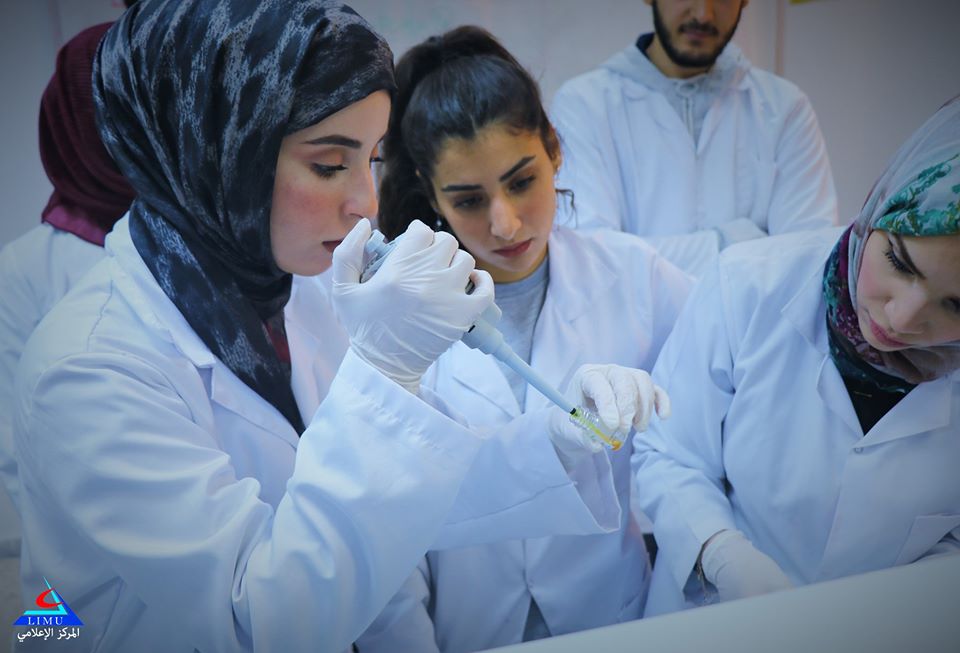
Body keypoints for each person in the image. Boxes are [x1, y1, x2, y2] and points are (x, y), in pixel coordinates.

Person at [12, 3, 638, 651]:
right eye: (329, 164)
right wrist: (385, 372)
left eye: (371, 159)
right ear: (222, 150)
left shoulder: (298, 290)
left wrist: (557, 444)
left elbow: (397, 498)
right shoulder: (88, 367)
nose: (366, 204)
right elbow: (259, 619)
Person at [355, 26, 692, 653]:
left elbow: (699, 444)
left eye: (521, 181)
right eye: (468, 198)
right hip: (469, 631)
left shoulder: (638, 277)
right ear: (430, 192)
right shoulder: (395, 320)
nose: (505, 223)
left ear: (554, 149)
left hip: (615, 618)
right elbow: (387, 536)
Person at [632, 95, 960, 616]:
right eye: (899, 261)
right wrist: (721, 553)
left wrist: (896, 604)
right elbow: (669, 453)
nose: (902, 319)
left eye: (955, 305)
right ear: (878, 208)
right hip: (710, 621)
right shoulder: (748, 284)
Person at [0, 21, 137, 642]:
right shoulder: (25, 267)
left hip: (192, 522)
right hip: (69, 544)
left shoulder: (201, 246)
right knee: (62, 637)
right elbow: (12, 440)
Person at [550, 0, 838, 277]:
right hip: (639, 330)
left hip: (751, 330)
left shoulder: (784, 107)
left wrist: (640, 257)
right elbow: (593, 263)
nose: (704, 14)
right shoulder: (584, 105)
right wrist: (734, 242)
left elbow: (809, 262)